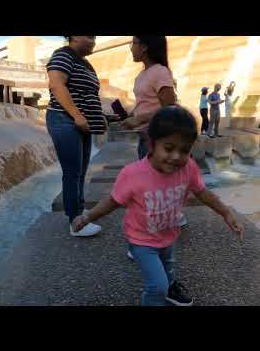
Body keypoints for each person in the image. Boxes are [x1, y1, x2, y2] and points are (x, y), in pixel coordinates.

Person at [72, 106, 245, 306]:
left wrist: (226, 213)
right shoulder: (133, 174)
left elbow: (203, 193)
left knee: (168, 268)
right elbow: (112, 202)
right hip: (141, 240)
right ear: (152, 144)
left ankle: (171, 285)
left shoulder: (188, 168)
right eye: (169, 148)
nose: (176, 157)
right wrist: (86, 218)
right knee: (157, 286)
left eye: (184, 150)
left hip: (168, 235)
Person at [46, 36, 115, 237]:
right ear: (74, 37)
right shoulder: (63, 55)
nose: (94, 41)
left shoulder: (84, 63)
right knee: (72, 172)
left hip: (81, 124)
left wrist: (101, 118)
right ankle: (75, 221)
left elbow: (88, 96)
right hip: (64, 119)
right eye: (90, 36)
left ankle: (79, 211)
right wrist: (77, 116)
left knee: (81, 171)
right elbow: (57, 85)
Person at [122, 36, 177, 160]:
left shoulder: (160, 71)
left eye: (133, 43)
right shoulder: (141, 75)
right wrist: (131, 116)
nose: (131, 48)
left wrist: (140, 119)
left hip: (158, 140)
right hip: (144, 139)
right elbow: (147, 104)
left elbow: (170, 109)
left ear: (144, 47)